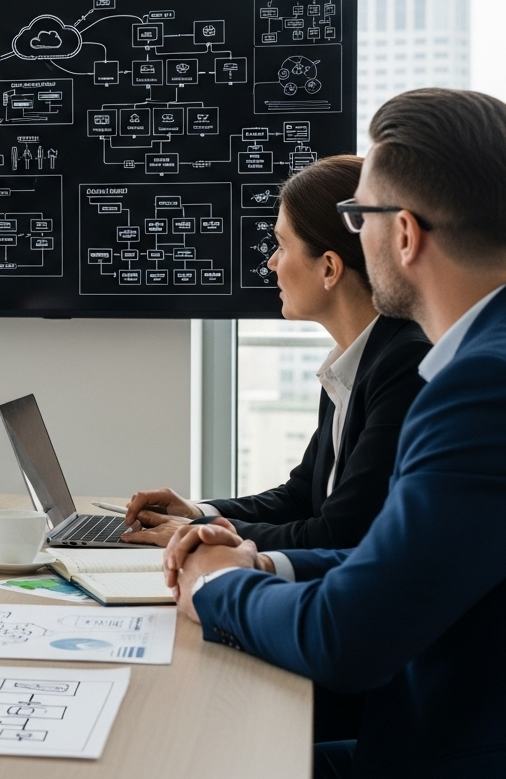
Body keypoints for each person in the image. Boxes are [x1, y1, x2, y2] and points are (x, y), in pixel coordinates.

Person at [165, 88, 506, 778]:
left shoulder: (480, 388)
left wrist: (213, 586)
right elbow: (396, 561)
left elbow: (346, 637)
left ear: (404, 234)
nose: (355, 234)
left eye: (359, 216)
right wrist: (263, 563)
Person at [121, 155, 430, 549]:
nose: (270, 264)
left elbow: (339, 534)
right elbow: (301, 498)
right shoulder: (353, 360)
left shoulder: (403, 365)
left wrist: (199, 536)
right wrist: (198, 514)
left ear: (330, 269)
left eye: (281, 246)